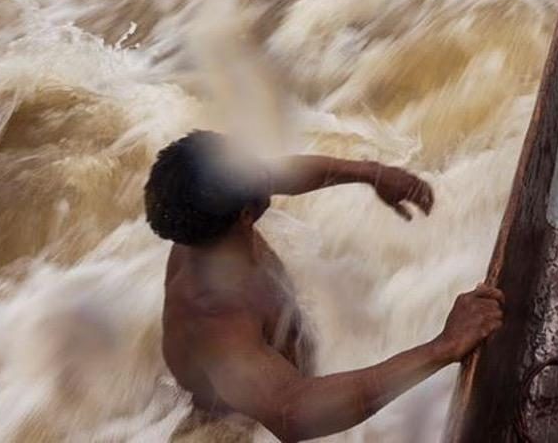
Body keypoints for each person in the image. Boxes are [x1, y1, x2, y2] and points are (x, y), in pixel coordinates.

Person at [146, 131, 504, 440]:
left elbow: (280, 174)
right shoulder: (214, 315)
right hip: (242, 429)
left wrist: (372, 174)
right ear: (245, 215)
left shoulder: (211, 220)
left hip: (273, 375)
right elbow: (293, 414)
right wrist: (443, 346)